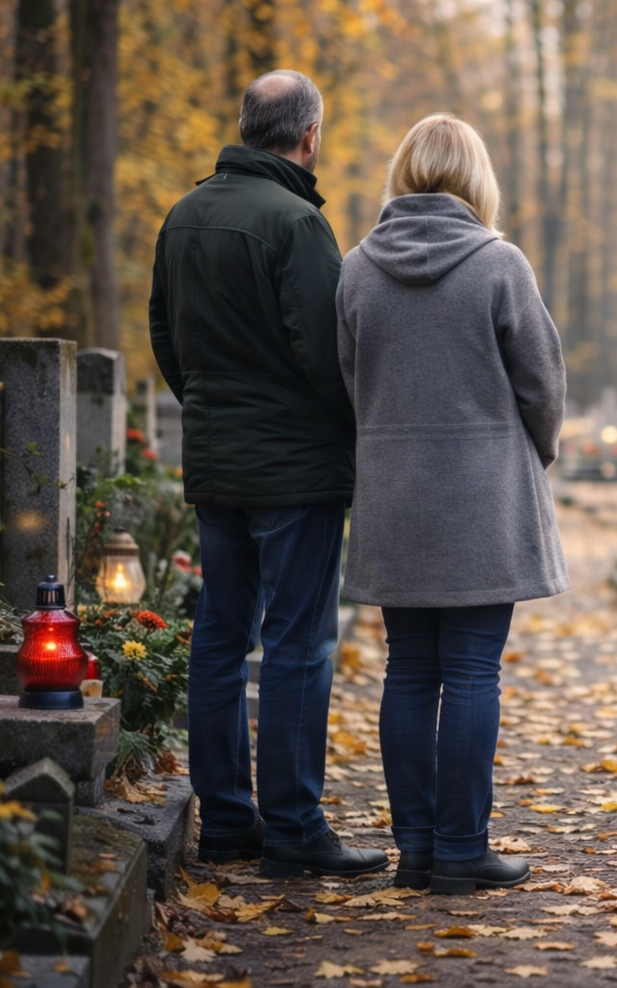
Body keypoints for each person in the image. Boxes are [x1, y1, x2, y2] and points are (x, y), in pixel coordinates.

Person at [149, 70, 386, 878]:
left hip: (217, 464)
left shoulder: (182, 215)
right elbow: (328, 354)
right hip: (295, 472)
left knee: (219, 637)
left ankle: (226, 821)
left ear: (247, 126)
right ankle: (294, 827)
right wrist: (348, 430)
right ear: (308, 135)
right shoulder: (297, 223)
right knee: (296, 643)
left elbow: (165, 336)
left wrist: (210, 409)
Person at [337, 114, 568, 895]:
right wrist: (537, 447)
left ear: (402, 172)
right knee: (471, 672)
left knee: (409, 673)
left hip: (394, 498)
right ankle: (463, 848)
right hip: (482, 499)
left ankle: (415, 850)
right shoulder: (500, 265)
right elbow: (542, 382)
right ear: (476, 178)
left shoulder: (357, 269)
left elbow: (348, 380)